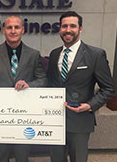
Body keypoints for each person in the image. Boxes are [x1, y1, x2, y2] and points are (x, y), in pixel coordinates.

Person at [48, 11, 115, 162]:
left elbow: (109, 88)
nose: (68, 29)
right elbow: (50, 83)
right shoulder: (54, 54)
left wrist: (90, 105)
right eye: (64, 26)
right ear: (60, 29)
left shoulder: (95, 54)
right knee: (56, 159)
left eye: (73, 26)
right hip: (55, 121)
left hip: (80, 120)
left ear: (80, 29)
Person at [0, 15, 47, 162]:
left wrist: (29, 85)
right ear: (4, 30)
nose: (13, 30)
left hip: (24, 114)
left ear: (22, 30)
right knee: (2, 154)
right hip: (1, 115)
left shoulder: (33, 54)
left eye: (16, 27)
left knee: (22, 155)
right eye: (9, 27)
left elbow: (43, 80)